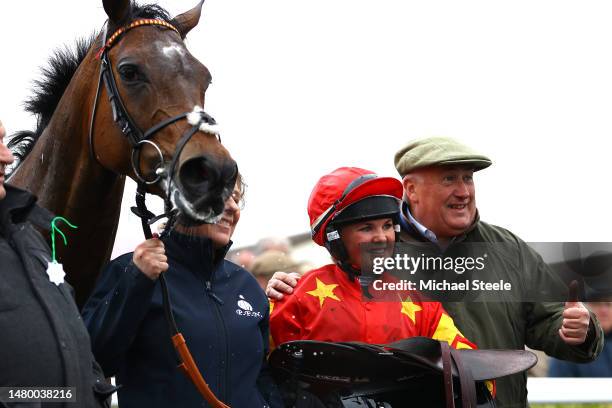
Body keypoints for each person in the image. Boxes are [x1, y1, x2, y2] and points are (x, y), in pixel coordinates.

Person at [267, 137, 604, 407]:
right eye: (449, 179)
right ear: (411, 189)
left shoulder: (509, 249)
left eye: (468, 178)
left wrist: (579, 330)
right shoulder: (369, 254)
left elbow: (552, 322)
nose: (463, 191)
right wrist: (274, 292)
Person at [81, 175, 281, 408]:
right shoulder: (131, 271)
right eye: (221, 194)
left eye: (236, 197)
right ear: (181, 202)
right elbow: (90, 361)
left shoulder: (245, 285)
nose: (233, 206)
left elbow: (260, 375)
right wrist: (135, 282)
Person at [270, 167, 475, 349]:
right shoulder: (296, 296)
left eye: (387, 225)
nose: (381, 237)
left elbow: (469, 365)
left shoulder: (421, 304)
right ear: (335, 239)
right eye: (366, 228)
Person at [0, 120, 114, 407]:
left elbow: (70, 323)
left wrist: (92, 389)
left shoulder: (30, 236)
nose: (7, 156)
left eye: (3, 141)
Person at [549, 297, 612, 377]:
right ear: (585, 307)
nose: (603, 310)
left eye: (608, 304)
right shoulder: (570, 343)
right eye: (596, 304)